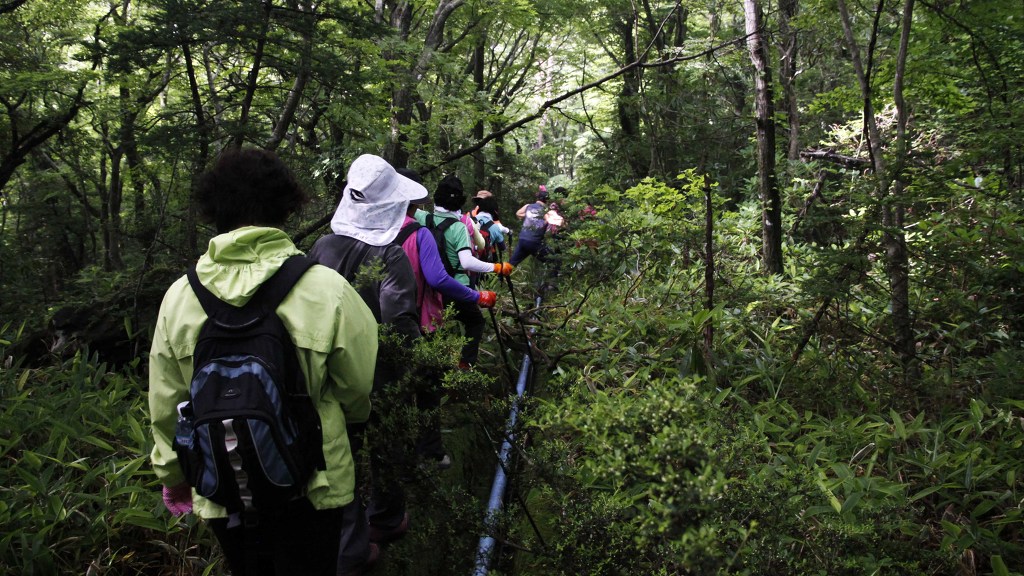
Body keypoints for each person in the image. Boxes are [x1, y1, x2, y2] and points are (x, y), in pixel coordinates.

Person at [149, 148, 378, 576]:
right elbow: (357, 389)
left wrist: (172, 473)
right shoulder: (327, 289)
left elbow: (167, 404)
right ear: (286, 208)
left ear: (213, 210)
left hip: (222, 486)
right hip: (315, 481)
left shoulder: (179, 297)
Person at [307, 154, 425, 565]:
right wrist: (416, 365)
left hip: (326, 367)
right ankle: (386, 519)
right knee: (387, 442)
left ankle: (345, 537)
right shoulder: (390, 256)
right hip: (378, 371)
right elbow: (399, 321)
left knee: (339, 450)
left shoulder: (321, 247)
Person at [394, 169, 498, 466]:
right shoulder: (447, 228)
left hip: (393, 309)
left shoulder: (418, 221)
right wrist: (483, 289)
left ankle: (400, 451)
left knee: (401, 381)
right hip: (435, 301)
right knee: (430, 380)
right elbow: (449, 271)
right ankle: (430, 448)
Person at [414, 174, 513, 369]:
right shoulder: (459, 227)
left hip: (428, 288)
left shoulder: (423, 218)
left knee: (434, 328)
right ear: (459, 201)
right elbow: (466, 262)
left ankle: (432, 366)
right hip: (456, 287)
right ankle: (465, 366)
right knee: (475, 322)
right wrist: (496, 267)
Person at [510, 185, 552, 266]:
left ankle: (500, 273)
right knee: (553, 261)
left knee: (511, 264)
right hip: (534, 242)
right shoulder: (546, 211)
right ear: (547, 201)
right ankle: (556, 273)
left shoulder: (528, 206)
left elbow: (518, 213)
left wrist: (528, 216)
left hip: (522, 240)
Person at [471, 190, 509, 262]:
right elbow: (502, 247)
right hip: (484, 261)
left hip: (468, 258)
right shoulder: (495, 226)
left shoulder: (469, 218)